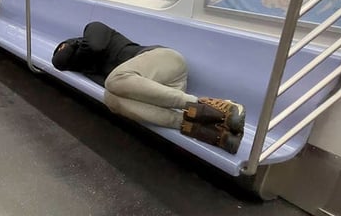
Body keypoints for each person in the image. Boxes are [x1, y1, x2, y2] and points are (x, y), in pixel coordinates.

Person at [52, 22, 246, 154]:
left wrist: (72, 51)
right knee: (111, 99)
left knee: (114, 81)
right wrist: (70, 59)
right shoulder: (90, 68)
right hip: (160, 90)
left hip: (167, 63)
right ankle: (204, 127)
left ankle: (208, 106)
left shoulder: (93, 28)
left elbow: (94, 47)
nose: (63, 52)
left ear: (74, 42)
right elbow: (60, 62)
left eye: (63, 47)